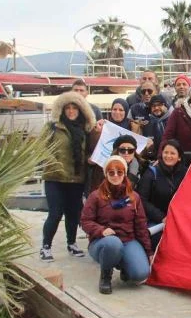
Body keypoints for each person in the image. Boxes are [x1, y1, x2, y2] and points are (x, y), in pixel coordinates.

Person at [81, 155, 152, 294]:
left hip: (128, 240)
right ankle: (105, 276)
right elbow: (85, 221)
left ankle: (125, 265)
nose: (115, 176)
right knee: (113, 244)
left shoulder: (134, 197)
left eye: (119, 172)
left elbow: (141, 226)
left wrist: (148, 251)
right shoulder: (95, 196)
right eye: (111, 172)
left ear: (124, 174)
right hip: (103, 242)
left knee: (140, 274)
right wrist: (101, 230)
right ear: (106, 174)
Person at [40, 91, 96, 261]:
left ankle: (71, 243)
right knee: (55, 213)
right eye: (68, 108)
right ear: (62, 110)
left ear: (81, 110)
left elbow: (87, 151)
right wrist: (54, 164)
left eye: (75, 108)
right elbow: (40, 148)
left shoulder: (84, 130)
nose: (71, 111)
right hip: (55, 177)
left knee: (73, 213)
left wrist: (89, 160)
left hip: (76, 178)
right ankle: (46, 246)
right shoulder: (52, 127)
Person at [137, 139, 187, 250]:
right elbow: (142, 200)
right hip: (156, 221)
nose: (168, 156)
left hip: (178, 220)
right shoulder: (152, 172)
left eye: (172, 153)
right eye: (166, 152)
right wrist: (161, 217)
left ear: (179, 157)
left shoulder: (186, 173)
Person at [131, 93, 171, 160]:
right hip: (150, 162)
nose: (156, 108)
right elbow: (139, 147)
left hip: (169, 160)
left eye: (159, 105)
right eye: (153, 106)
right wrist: (146, 148)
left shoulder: (173, 122)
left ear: (166, 105)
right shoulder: (145, 124)